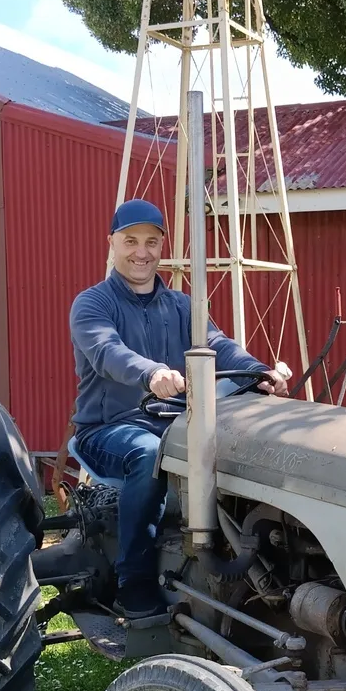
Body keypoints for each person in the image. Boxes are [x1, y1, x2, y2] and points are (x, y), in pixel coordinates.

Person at [70, 199, 287, 619]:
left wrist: (256, 371)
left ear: (161, 247)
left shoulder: (183, 306)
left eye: (151, 242)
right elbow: (107, 351)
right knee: (149, 456)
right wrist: (151, 374)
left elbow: (218, 345)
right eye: (130, 240)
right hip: (110, 428)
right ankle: (133, 584)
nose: (141, 251)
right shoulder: (92, 304)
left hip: (175, 423)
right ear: (112, 244)